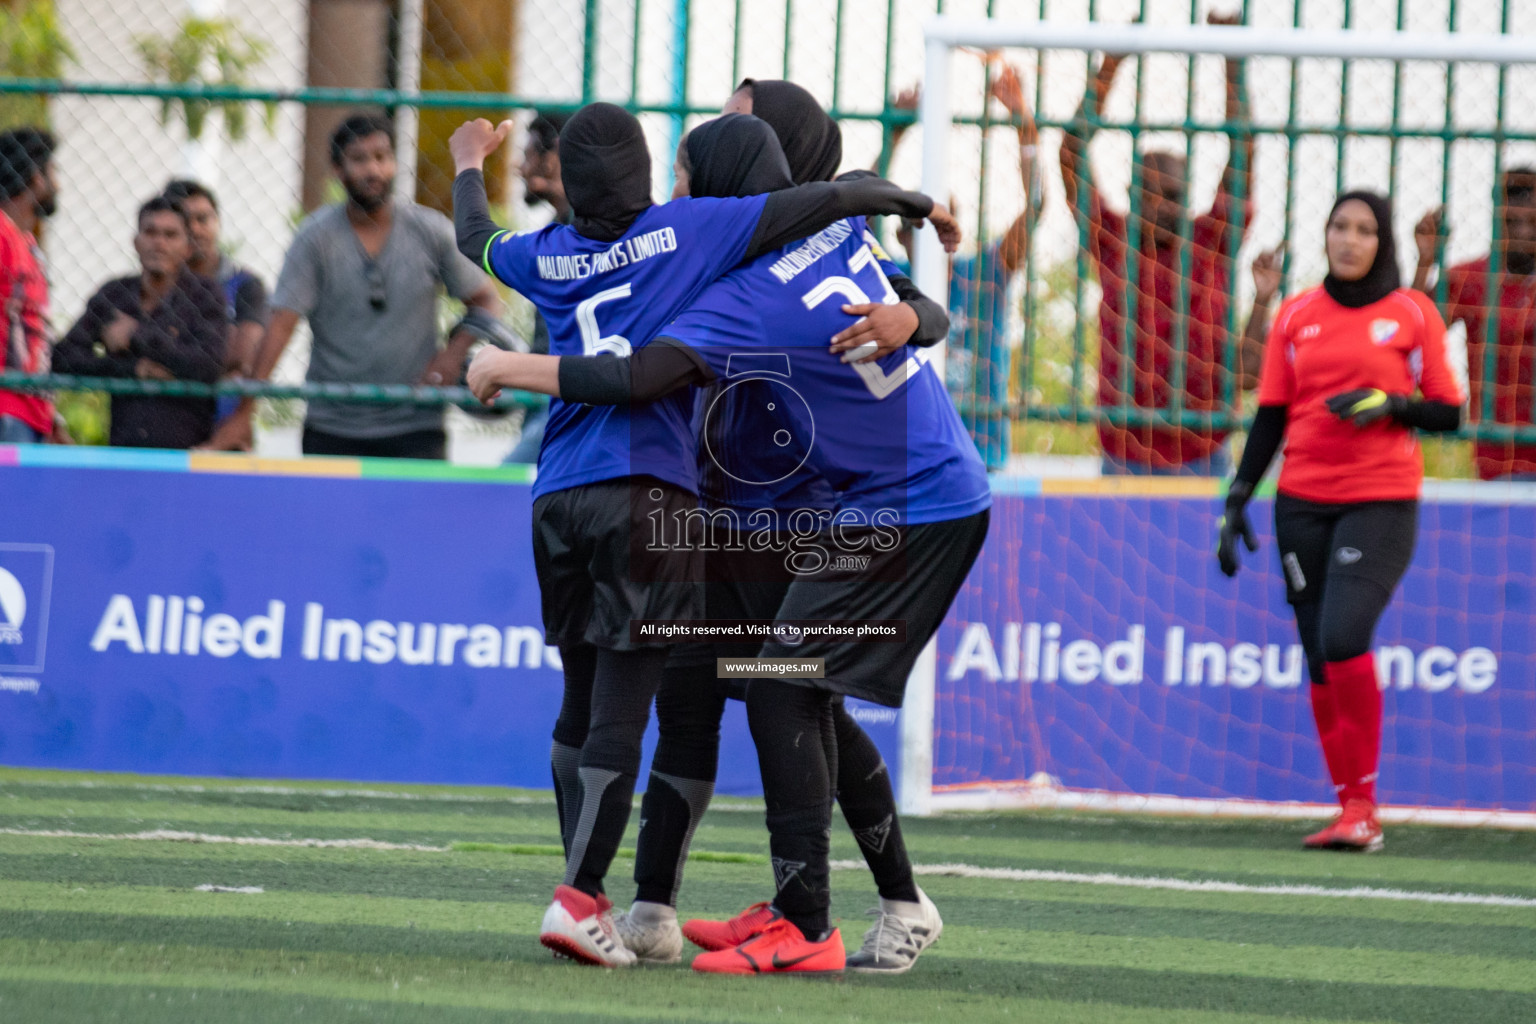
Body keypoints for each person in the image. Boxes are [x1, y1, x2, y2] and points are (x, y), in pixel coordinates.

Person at [466, 113, 988, 975]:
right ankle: (714, 907)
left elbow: (639, 374)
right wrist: (916, 304)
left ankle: (817, 917)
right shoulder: (825, 236)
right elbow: (908, 296)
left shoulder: (734, 291)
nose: (672, 191)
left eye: (684, 172)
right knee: (755, 689)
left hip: (862, 506)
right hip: (785, 509)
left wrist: (512, 367)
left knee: (784, 688)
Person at [613, 79, 950, 975]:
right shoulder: (719, 241)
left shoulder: (818, 244)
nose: (730, 131)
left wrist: (911, 316)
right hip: (718, 507)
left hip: (796, 513)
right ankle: (651, 910)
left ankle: (884, 904)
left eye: (743, 120)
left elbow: (921, 311)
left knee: (800, 698)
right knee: (696, 688)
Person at [1218, 191, 1464, 852]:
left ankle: (1364, 809)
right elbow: (1270, 413)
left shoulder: (1411, 311)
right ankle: (1351, 809)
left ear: (1381, 241)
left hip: (1380, 500)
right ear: (1324, 234)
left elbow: (1449, 411)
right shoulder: (1297, 315)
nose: (1349, 240)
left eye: (1364, 230)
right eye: (1339, 227)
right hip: (1300, 502)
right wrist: (1239, 495)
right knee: (1319, 655)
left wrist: (1391, 402)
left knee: (1345, 634)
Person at [207, 113, 502, 458]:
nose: (373, 170)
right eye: (359, 159)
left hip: (416, 424)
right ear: (337, 168)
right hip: (333, 425)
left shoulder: (429, 230)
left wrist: (452, 356)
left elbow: (485, 300)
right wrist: (244, 412)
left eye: (382, 157)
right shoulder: (315, 238)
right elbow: (280, 325)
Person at [1061, 12, 1254, 475]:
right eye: (1151, 195)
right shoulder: (1113, 240)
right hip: (1124, 449)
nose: (1163, 206)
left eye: (1174, 196)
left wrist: (1232, 60)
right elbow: (1071, 153)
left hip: (1203, 450)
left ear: (1190, 197)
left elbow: (1244, 149)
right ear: (1132, 196)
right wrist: (1112, 62)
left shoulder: (1212, 240)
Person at [881, 64, 1040, 469]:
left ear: (957, 230)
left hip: (978, 457)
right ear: (901, 237)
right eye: (920, 226)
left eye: (943, 223)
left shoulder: (987, 274)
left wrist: (1023, 122)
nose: (933, 237)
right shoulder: (887, 279)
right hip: (906, 460)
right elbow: (852, 222)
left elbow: (1036, 204)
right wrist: (893, 137)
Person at [52, 196, 227, 448]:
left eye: (170, 235)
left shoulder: (204, 295)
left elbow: (209, 364)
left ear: (187, 248)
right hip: (125, 447)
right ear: (136, 242)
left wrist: (137, 335)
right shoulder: (115, 295)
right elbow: (64, 356)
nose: (159, 242)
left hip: (187, 452)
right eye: (150, 232)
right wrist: (132, 369)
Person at [1412, 168, 1536, 479]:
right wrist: (1425, 261)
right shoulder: (1471, 278)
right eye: (1512, 222)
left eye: (1532, 223)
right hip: (1495, 461)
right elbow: (1411, 334)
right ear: (1496, 222)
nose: (1523, 232)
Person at [160, 180, 270, 417]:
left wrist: (167, 356)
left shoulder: (246, 285)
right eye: (186, 221)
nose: (196, 230)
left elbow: (241, 356)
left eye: (203, 219)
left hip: (223, 425)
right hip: (168, 420)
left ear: (217, 222)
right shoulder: (157, 286)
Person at [503, 110, 571, 465]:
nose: (521, 167)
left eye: (530, 154)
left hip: (567, 402)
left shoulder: (587, 228)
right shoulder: (555, 228)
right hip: (543, 395)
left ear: (554, 157)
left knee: (502, 493)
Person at [0, 127, 61, 444]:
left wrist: (51, 416)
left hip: (29, 410)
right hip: (6, 408)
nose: (58, 184)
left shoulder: (26, 243)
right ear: (35, 177)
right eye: (53, 171)